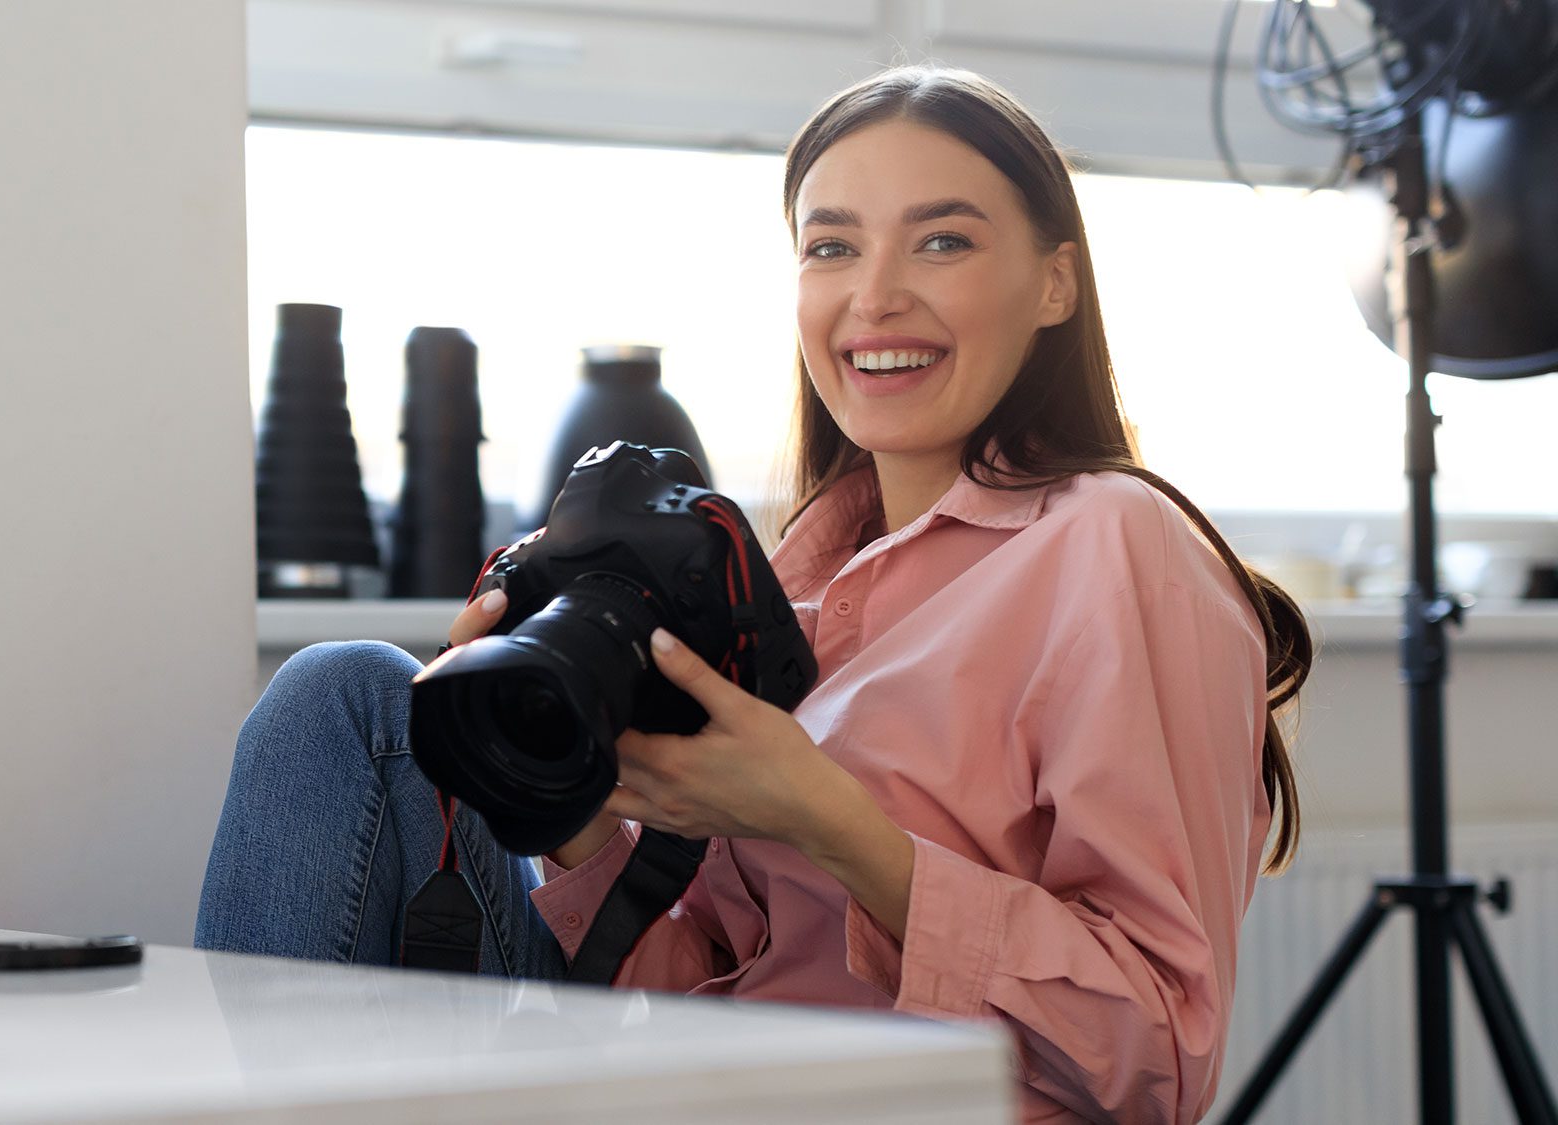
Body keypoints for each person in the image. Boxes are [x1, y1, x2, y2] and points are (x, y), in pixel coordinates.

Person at [196, 65, 1311, 1124]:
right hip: (703, 1085)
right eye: (830, 247)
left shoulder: (1116, 545)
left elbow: (1160, 1061)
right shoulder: (786, 583)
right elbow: (697, 988)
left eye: (941, 240)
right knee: (350, 697)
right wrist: (570, 810)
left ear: (1054, 281)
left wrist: (821, 820)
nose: (873, 296)